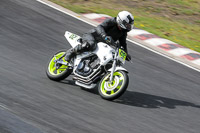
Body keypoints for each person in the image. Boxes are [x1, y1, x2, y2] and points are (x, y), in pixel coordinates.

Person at [65, 11, 134, 63]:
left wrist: (126, 54)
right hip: (92, 36)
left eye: (130, 25)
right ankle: (71, 52)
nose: (129, 26)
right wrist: (104, 36)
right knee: (92, 44)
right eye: (128, 24)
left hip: (102, 44)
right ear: (121, 21)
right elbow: (100, 27)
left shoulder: (123, 32)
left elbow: (123, 44)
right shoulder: (111, 21)